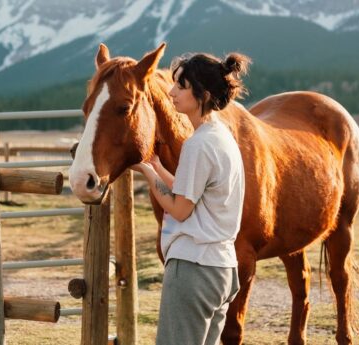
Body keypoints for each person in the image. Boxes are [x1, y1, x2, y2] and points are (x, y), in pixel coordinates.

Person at [131, 51, 250, 345]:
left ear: (203, 94)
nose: (172, 92)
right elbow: (192, 193)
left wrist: (147, 174)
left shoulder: (198, 145)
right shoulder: (220, 137)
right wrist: (158, 167)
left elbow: (180, 209)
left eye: (181, 86)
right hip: (222, 269)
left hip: (193, 270)